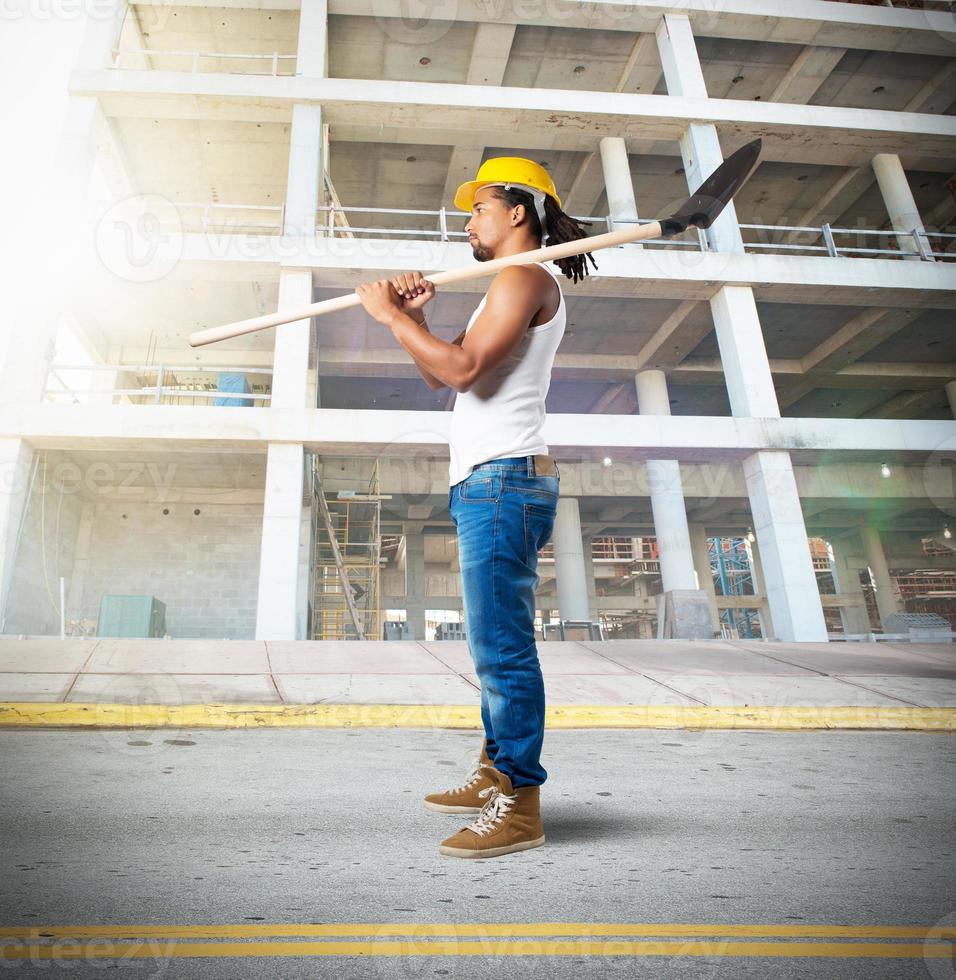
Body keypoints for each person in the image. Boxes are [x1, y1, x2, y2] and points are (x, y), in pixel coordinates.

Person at [355, 158, 595, 859]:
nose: (468, 223)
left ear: (517, 213)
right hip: (487, 483)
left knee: (503, 652)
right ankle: (495, 771)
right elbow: (446, 372)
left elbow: (461, 371)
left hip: (504, 481)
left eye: (479, 209)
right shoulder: (505, 286)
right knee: (491, 649)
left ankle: (519, 803)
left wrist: (383, 318)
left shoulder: (524, 277)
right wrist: (411, 318)